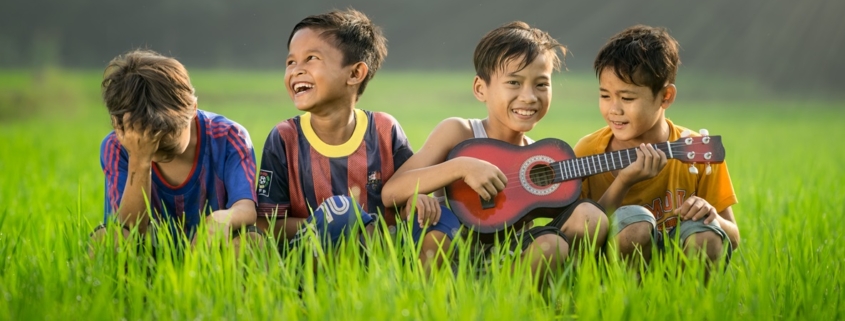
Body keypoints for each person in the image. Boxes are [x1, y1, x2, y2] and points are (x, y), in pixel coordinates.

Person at [381, 22, 608, 277]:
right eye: (514, 82)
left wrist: (628, 176)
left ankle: (540, 299)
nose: (529, 97)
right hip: (455, 256)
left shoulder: (538, 156)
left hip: (513, 260)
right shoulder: (460, 132)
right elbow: (391, 191)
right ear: (481, 89)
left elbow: (583, 221)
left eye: (541, 84)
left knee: (582, 220)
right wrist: (461, 166)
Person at [574, 25, 740, 269]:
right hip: (610, 272)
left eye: (627, 98)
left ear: (666, 97)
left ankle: (691, 305)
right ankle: (630, 303)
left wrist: (713, 216)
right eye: (605, 96)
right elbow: (577, 240)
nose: (614, 109)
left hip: (676, 265)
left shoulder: (696, 151)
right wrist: (623, 182)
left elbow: (733, 238)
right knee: (635, 227)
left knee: (706, 235)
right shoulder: (588, 150)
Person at [255, 9, 416, 252]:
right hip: (309, 266)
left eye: (311, 58)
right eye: (291, 62)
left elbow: (409, 196)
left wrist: (419, 200)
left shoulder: (385, 130)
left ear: (354, 73)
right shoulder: (284, 138)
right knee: (342, 212)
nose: (296, 70)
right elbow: (267, 224)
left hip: (381, 264)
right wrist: (336, 224)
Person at [91, 49, 259, 252]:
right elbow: (128, 230)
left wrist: (222, 218)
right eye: (143, 139)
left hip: (213, 250)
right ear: (120, 127)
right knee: (105, 240)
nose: (153, 145)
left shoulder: (229, 137)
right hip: (150, 255)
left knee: (250, 242)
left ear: (193, 108)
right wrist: (139, 158)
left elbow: (246, 207)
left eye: (164, 137)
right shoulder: (117, 147)